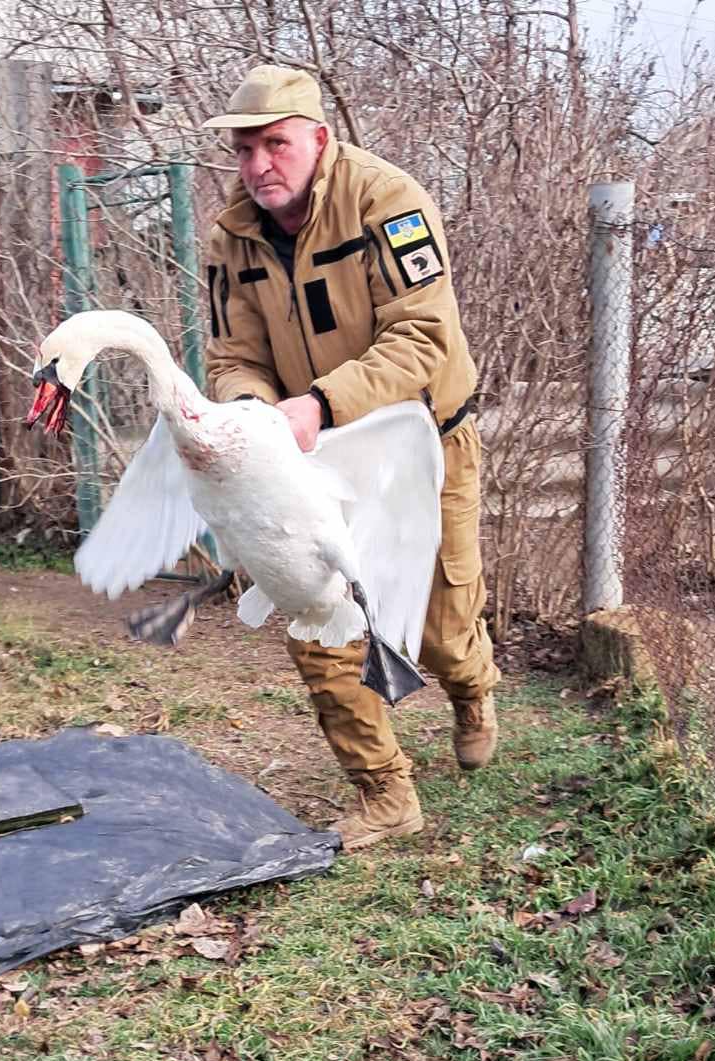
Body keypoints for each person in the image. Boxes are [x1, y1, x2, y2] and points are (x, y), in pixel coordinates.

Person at [202, 65, 499, 850]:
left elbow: (422, 334)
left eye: (276, 144)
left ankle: (472, 688)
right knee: (319, 618)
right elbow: (231, 352)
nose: (259, 165)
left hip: (421, 444)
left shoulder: (386, 201)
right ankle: (385, 791)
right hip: (314, 461)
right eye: (244, 149)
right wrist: (252, 415)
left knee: (438, 630)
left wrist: (323, 401)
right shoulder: (232, 233)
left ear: (319, 139)